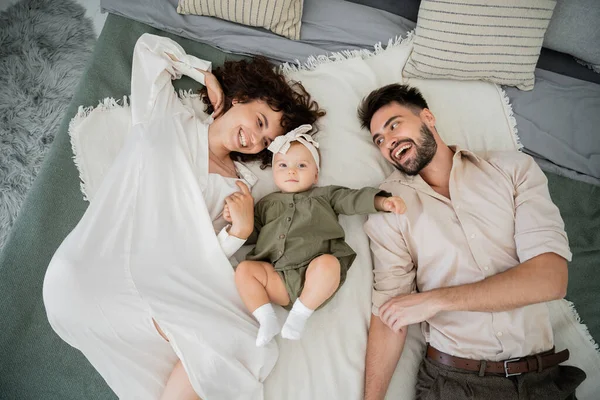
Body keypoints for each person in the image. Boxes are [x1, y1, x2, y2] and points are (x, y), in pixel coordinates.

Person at [42, 33, 324, 400]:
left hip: (163, 276)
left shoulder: (239, 187)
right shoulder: (168, 115)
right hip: (95, 259)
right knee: (219, 337)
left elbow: (200, 257)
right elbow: (147, 50)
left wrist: (240, 231)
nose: (254, 138)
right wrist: (203, 72)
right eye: (258, 120)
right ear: (238, 98)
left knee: (236, 339)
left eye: (265, 138)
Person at [357, 84, 586, 400]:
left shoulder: (513, 170)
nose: (389, 142)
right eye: (379, 140)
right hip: (455, 384)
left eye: (394, 124)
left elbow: (550, 279)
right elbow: (390, 315)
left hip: (543, 381)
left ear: (427, 116)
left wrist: (435, 300)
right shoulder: (389, 208)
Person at [227, 125, 407, 348]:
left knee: (329, 263)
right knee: (244, 270)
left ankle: (300, 315)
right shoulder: (266, 204)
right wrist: (237, 219)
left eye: (301, 165)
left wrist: (381, 202)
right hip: (276, 279)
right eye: (283, 165)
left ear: (315, 175)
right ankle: (266, 319)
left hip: (315, 278)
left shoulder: (325, 196)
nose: (291, 171)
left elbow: (352, 200)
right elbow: (251, 232)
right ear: (274, 173)